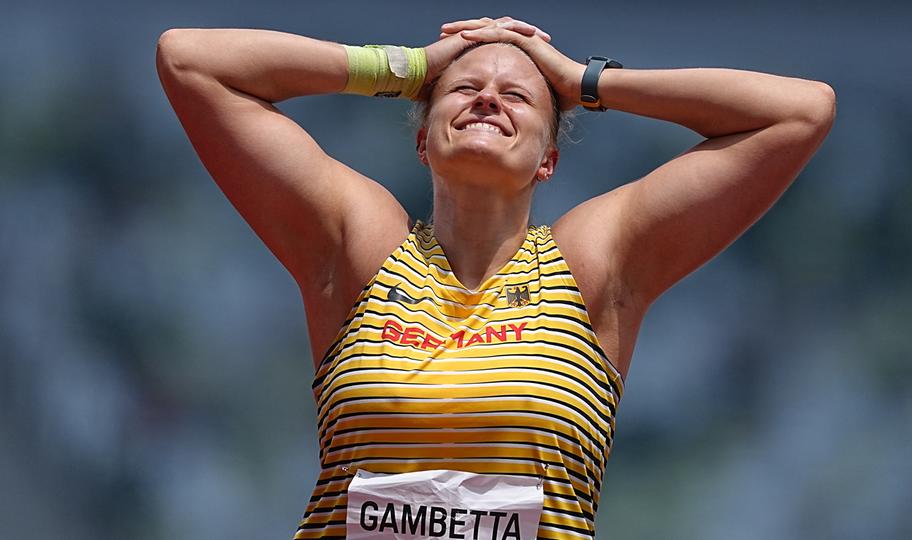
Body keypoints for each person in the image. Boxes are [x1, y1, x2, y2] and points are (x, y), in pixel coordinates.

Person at [156, 16, 834, 540]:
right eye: (461, 88)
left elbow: (799, 111)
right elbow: (190, 60)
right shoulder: (362, 250)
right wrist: (408, 65)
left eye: (519, 97)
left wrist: (583, 81)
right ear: (423, 140)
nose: (487, 101)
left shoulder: (592, 265)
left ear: (548, 160)